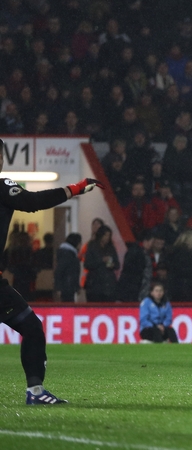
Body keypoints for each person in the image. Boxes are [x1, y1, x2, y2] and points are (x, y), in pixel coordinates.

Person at [0, 141, 104, 403]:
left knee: (32, 327)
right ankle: (35, 392)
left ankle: (36, 392)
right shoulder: (2, 186)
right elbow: (32, 201)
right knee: (32, 328)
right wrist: (74, 189)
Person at [83, 225, 120, 302]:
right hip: (95, 285)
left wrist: (112, 265)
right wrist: (101, 260)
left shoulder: (111, 248)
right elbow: (87, 264)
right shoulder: (92, 246)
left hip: (108, 285)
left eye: (109, 235)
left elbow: (117, 265)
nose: (107, 238)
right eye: (105, 235)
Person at [115, 231, 154, 302]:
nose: (152, 245)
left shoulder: (140, 252)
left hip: (136, 287)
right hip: (133, 288)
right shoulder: (137, 252)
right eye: (152, 242)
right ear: (146, 241)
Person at [54, 233, 82, 303]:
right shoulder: (67, 255)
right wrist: (59, 288)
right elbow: (59, 271)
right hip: (67, 286)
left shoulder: (70, 254)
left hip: (69, 286)